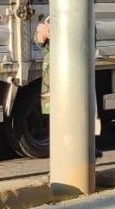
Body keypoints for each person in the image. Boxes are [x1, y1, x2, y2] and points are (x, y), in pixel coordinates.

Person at [35, 17, 102, 159]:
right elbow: (41, 40)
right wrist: (41, 37)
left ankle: (82, 155)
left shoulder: (82, 16)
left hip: (72, 80)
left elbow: (82, 44)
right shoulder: (51, 17)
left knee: (75, 119)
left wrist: (53, 35)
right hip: (53, 80)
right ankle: (63, 163)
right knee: (58, 123)